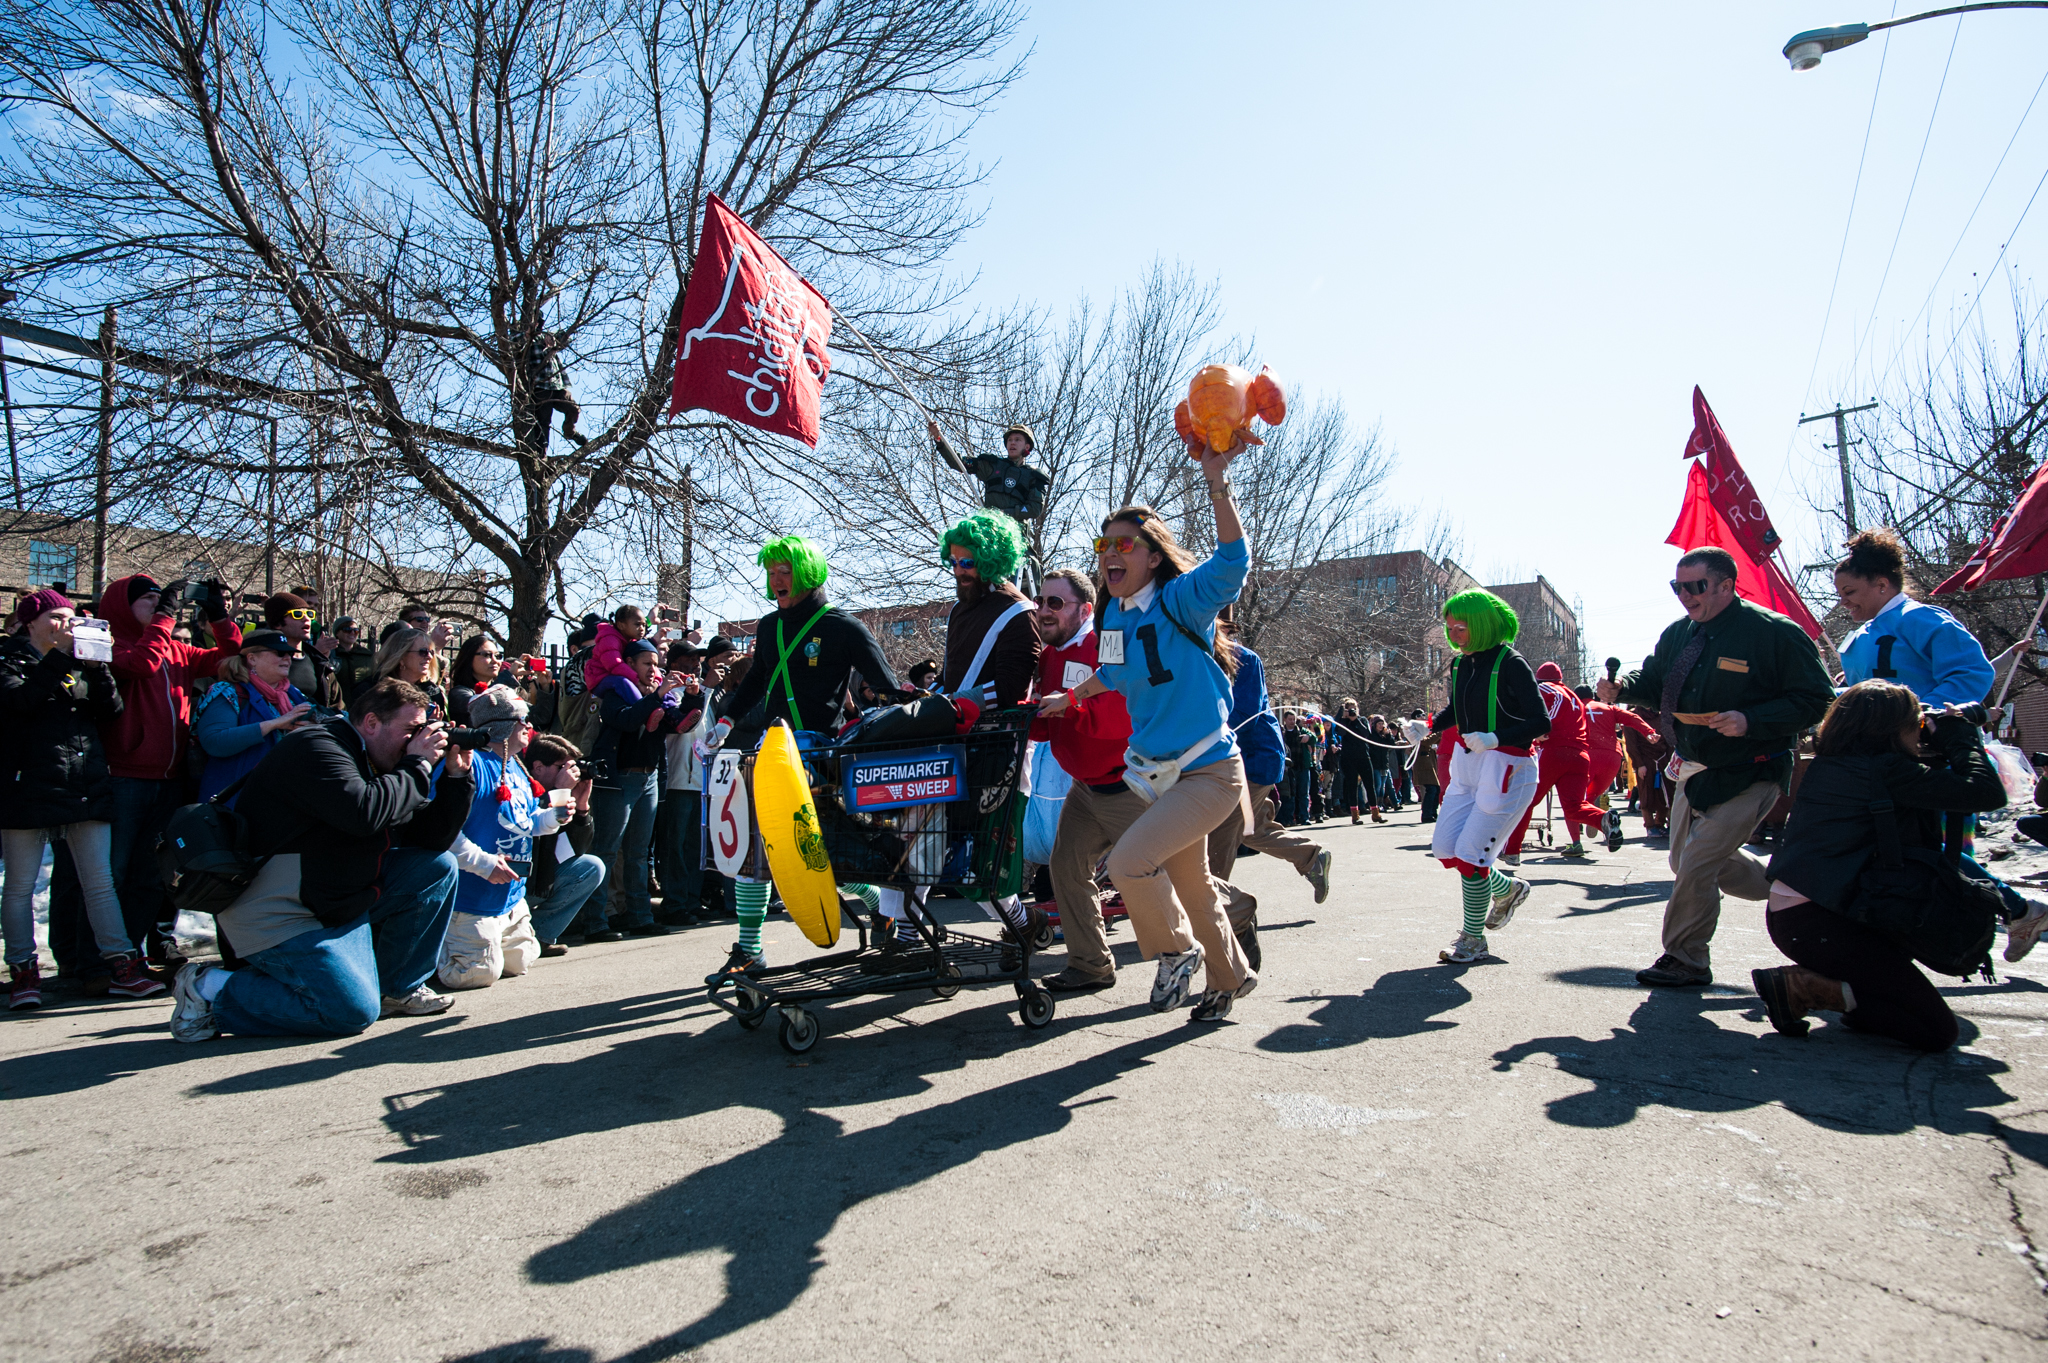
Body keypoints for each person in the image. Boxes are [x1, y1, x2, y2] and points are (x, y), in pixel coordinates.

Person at [1037, 437, 1257, 1023]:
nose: (1110, 553)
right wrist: (1070, 697)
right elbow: (1113, 672)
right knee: (1196, 891)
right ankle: (1231, 977)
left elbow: (1233, 563)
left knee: (1130, 862)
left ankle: (1177, 952)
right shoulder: (1111, 613)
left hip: (1208, 773)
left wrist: (1217, 481)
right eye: (1103, 544)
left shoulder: (1182, 600)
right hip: (1156, 777)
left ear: (1151, 557)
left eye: (1123, 545)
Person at [166, 678, 474, 1041]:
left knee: (434, 868)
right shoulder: (315, 746)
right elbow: (363, 814)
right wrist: (417, 764)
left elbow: (429, 839)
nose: (417, 740)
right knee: (347, 1012)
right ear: (371, 723)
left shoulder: (378, 761)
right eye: (410, 729)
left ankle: (398, 988)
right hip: (279, 910)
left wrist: (457, 778)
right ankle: (209, 989)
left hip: (332, 899)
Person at [1598, 547, 1834, 988]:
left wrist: (1752, 721)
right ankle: (1797, 890)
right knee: (1687, 861)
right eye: (1678, 586)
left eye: (1695, 586)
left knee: (1698, 862)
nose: (1684, 595)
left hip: (1752, 767)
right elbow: (1652, 684)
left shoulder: (1774, 633)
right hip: (1693, 767)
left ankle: (1685, 957)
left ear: (1726, 585)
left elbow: (1817, 699)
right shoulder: (1675, 636)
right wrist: (1621, 687)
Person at [1754, 682, 2006, 1049]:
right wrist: (1961, 737)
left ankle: (1850, 987)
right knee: (1936, 1032)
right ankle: (1805, 989)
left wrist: (1934, 744)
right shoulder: (1884, 770)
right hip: (1823, 923)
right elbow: (1985, 793)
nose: (1918, 730)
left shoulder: (1836, 764)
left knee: (1895, 990)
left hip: (1808, 916)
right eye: (1914, 723)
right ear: (1890, 729)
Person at [1831, 528, 2046, 955]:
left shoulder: (1922, 619)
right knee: (1893, 846)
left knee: (1926, 850)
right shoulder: (1861, 633)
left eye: (1850, 591)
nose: (1844, 602)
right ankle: (2018, 910)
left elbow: (1971, 674)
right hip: (1877, 761)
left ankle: (2006, 913)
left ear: (1882, 583)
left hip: (1929, 759)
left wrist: (1918, 717)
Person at [1, 590, 162, 1007]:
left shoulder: (76, 660)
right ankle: (23, 971)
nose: (66, 625)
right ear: (32, 622)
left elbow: (110, 711)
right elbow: (20, 703)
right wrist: (61, 657)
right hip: (27, 787)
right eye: (56, 617)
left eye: (71, 617)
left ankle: (121, 964)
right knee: (20, 885)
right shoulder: (9, 659)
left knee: (100, 882)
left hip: (84, 784)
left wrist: (97, 667)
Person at [97, 572, 242, 962]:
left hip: (169, 778)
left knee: (149, 875)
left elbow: (232, 660)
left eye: (164, 601)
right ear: (121, 606)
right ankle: (99, 956)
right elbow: (143, 664)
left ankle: (134, 951)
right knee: (113, 874)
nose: (162, 607)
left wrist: (219, 617)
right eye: (149, 600)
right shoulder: (110, 647)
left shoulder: (177, 652)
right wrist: (165, 616)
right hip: (123, 778)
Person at [937, 509, 1046, 941]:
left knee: (984, 857)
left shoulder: (1018, 614)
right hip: (955, 746)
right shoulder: (959, 611)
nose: (960, 571)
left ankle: (1022, 923)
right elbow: (952, 677)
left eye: (969, 563)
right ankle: (904, 932)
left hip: (996, 752)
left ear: (992, 561)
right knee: (930, 842)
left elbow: (1012, 693)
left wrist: (958, 704)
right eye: (955, 561)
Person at [1030, 569, 1138, 993]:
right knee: (1065, 867)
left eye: (1055, 603)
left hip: (1131, 785)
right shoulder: (1049, 655)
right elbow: (1050, 724)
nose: (1043, 611)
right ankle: (1091, 965)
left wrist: (1067, 707)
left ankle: (1236, 914)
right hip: (1086, 788)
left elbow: (1119, 720)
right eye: (1041, 603)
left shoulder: (1108, 643)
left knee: (1169, 878)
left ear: (1086, 609)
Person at [1203, 621, 1333, 972]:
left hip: (1250, 759)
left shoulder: (1242, 658)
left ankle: (1222, 921)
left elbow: (1238, 713)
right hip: (1231, 760)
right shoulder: (1193, 652)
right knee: (1251, 828)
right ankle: (1310, 856)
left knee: (1216, 846)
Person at [1428, 590, 1547, 964]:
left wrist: (1496, 737)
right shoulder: (1461, 665)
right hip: (1468, 767)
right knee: (1446, 848)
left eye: (1461, 627)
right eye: (1450, 628)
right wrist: (1426, 726)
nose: (1454, 635)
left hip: (1508, 769)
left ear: (1480, 624)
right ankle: (1508, 888)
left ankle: (1473, 939)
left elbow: (1540, 722)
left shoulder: (1512, 663)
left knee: (1471, 855)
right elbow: (1458, 709)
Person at [436, 687, 563, 989]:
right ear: (503, 724)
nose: (529, 727)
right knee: (476, 975)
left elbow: (525, 823)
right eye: (523, 720)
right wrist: (483, 865)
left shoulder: (516, 766)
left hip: (511, 895)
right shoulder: (469, 764)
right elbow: (444, 832)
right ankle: (432, 944)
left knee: (521, 961)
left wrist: (555, 817)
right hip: (472, 896)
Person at [586, 639, 699, 942]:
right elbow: (625, 719)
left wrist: (689, 699)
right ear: (631, 664)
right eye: (647, 663)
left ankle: (640, 916)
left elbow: (678, 725)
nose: (654, 669)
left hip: (648, 778)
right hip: (617, 779)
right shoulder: (615, 690)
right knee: (606, 851)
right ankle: (596, 921)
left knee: (638, 854)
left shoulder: (659, 696)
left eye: (656, 664)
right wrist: (658, 696)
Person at [1501, 662, 1611, 862]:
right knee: (1574, 805)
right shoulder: (1574, 696)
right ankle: (1603, 819)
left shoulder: (1543, 688)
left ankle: (1512, 850)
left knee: (1527, 800)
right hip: (1580, 755)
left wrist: (1536, 734)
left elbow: (1542, 719)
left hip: (1554, 751)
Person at [192, 629, 315, 803]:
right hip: (234, 803)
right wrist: (274, 724)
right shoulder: (227, 692)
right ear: (252, 658)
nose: (287, 658)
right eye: (279, 653)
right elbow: (214, 741)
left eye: (289, 653)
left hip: (280, 799)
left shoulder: (293, 695)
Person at [522, 733, 604, 953]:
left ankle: (539, 935)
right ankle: (517, 935)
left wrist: (582, 806)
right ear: (538, 768)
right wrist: (557, 794)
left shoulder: (562, 794)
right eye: (563, 767)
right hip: (514, 884)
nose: (571, 774)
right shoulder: (521, 788)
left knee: (591, 866)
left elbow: (577, 850)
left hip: (540, 881)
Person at [1578, 684, 1659, 851]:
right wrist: (1649, 731)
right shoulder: (1608, 708)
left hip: (1587, 756)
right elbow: (1631, 717)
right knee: (1593, 794)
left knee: (1575, 799)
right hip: (1612, 757)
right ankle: (1598, 810)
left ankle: (1576, 841)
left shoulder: (1576, 708)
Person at [928, 420, 1050, 527]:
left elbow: (1035, 509)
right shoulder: (991, 465)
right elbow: (958, 462)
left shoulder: (1033, 476)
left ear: (1027, 446)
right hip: (989, 528)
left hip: (1016, 535)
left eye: (1018, 440)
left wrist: (1006, 513)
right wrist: (939, 439)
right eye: (1010, 440)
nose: (1012, 443)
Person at [263, 592, 340, 708]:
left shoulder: (317, 660)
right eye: (297, 614)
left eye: (309, 613)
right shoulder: (265, 661)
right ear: (278, 623)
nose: (306, 619)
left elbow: (336, 704)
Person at [529, 330, 589, 447]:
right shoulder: (529, 339)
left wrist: (555, 340)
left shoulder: (546, 335)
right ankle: (541, 453)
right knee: (543, 422)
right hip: (540, 388)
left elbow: (563, 338)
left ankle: (570, 432)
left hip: (556, 386)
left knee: (573, 409)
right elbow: (516, 342)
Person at [373, 625, 448, 715]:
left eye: (431, 652)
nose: (430, 657)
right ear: (401, 657)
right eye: (423, 652)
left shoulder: (433, 692)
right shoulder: (375, 691)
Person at [1333, 699, 1381, 824]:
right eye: (1350, 708)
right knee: (1352, 786)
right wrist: (1344, 718)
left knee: (1370, 785)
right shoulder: (1343, 722)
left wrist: (1356, 720)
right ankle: (1355, 815)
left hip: (1363, 756)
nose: (1353, 710)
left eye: (1355, 708)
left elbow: (1366, 734)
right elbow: (1340, 732)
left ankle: (1375, 813)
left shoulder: (1362, 719)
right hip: (1348, 758)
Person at [448, 633, 510, 724]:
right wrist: (508, 677)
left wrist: (539, 684)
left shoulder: (506, 687)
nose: (495, 661)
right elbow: (485, 704)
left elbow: (532, 715)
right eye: (487, 655)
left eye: (497, 656)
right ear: (469, 658)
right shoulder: (459, 693)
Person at [327, 616, 378, 706]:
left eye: (356, 630)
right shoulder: (330, 654)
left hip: (363, 705)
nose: (352, 633)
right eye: (347, 629)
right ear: (337, 633)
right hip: (337, 705)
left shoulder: (367, 655)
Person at [1281, 712, 1317, 825]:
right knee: (1290, 794)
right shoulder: (1282, 732)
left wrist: (1309, 736)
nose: (1292, 721)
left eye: (1294, 719)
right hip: (1288, 767)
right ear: (1285, 719)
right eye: (1290, 719)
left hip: (1302, 765)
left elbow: (1315, 739)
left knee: (1303, 793)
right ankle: (1289, 818)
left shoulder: (1301, 730)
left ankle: (1304, 816)